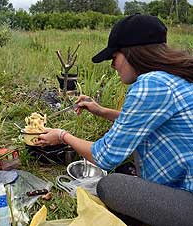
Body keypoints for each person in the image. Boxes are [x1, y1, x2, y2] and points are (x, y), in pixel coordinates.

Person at [37, 14, 193, 226]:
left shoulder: (150, 84)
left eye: (114, 57)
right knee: (127, 174)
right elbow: (146, 124)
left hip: (187, 200)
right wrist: (102, 111)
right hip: (183, 184)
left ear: (132, 53)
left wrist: (62, 136)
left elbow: (104, 156)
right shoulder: (172, 77)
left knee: (111, 185)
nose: (113, 66)